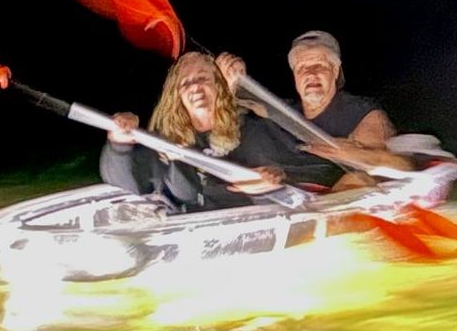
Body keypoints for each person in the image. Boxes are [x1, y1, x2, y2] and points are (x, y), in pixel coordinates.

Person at [99, 52, 300, 211]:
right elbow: (124, 186)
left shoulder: (251, 128)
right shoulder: (164, 141)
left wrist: (271, 184)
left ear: (218, 86)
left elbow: (292, 175)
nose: (195, 86)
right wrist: (119, 145)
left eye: (203, 78)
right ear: (177, 95)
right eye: (186, 83)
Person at [218, 30, 410, 185]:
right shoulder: (282, 110)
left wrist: (353, 154)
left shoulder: (363, 114)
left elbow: (400, 166)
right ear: (295, 77)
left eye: (319, 65)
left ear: (335, 71)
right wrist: (230, 80)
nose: (311, 74)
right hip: (273, 199)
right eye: (302, 68)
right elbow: (242, 100)